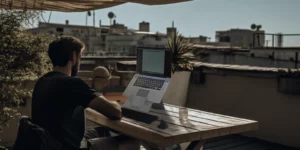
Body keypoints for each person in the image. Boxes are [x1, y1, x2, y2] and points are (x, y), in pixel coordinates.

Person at [31, 36, 139, 150]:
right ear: (73, 56)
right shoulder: (72, 84)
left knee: (104, 131)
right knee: (132, 142)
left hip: (50, 144)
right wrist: (117, 103)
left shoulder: (42, 81)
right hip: (69, 147)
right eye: (80, 57)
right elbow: (116, 112)